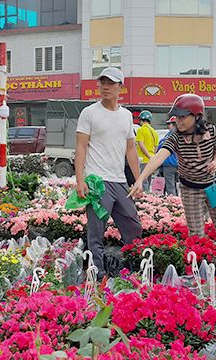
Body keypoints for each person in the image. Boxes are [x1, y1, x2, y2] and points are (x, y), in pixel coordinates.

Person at [129, 94, 216, 241]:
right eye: (176, 117)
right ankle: (199, 261)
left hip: (213, 187)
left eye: (182, 117)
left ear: (197, 116)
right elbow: (159, 156)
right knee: (196, 235)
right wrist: (140, 179)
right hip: (191, 190)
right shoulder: (174, 137)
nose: (178, 121)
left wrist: (215, 162)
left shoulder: (211, 131)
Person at [75, 67, 142, 278]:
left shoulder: (126, 116)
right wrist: (80, 181)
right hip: (97, 181)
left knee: (133, 225)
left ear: (120, 87)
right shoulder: (89, 113)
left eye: (111, 83)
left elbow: (130, 149)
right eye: (102, 82)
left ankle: (133, 268)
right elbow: (81, 147)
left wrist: (138, 179)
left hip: (120, 181)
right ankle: (97, 273)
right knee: (96, 231)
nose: (105, 87)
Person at [135, 110, 159, 191]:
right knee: (148, 180)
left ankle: (145, 198)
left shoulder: (141, 130)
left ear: (141, 120)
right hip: (151, 160)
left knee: (143, 181)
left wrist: (148, 156)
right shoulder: (154, 132)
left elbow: (141, 145)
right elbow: (156, 147)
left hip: (143, 160)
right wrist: (152, 157)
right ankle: (149, 198)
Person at [160, 116, 179, 195]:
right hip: (176, 164)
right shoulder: (178, 134)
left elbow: (160, 148)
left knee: (170, 186)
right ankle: (177, 201)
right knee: (174, 185)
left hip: (169, 164)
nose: (168, 126)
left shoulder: (170, 136)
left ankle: (173, 202)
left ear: (174, 124)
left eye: (169, 124)